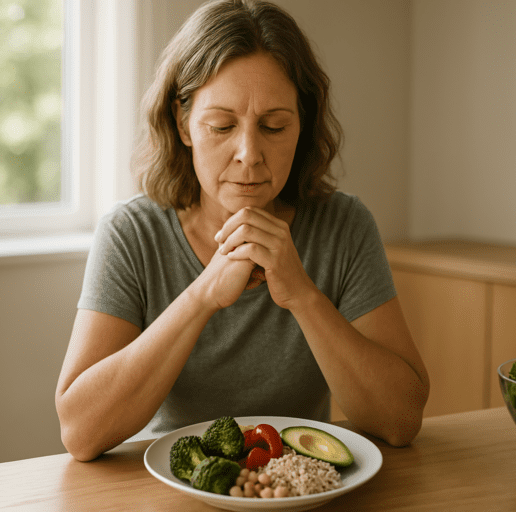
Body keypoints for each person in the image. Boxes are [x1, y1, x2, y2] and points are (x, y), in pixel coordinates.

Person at [55, 0, 429, 462]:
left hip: (301, 486)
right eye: (222, 126)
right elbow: (80, 431)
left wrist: (303, 296)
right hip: (172, 486)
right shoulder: (131, 234)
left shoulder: (344, 226)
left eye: (274, 126)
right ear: (183, 122)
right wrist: (203, 294)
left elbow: (401, 420)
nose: (249, 153)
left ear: (302, 123)